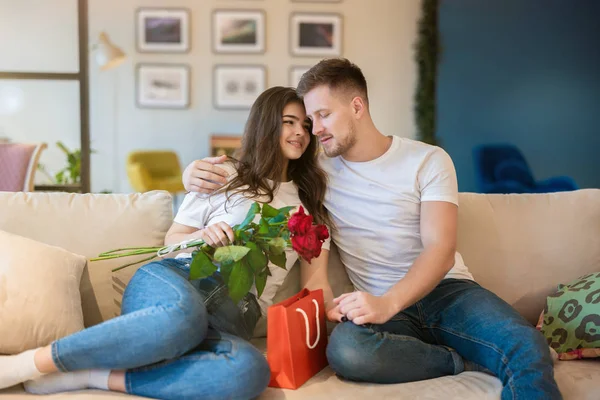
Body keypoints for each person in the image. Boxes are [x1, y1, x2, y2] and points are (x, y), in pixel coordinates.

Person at [180, 58, 562, 400]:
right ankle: (462, 360)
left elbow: (440, 250)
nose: (314, 131)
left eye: (323, 116)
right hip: (378, 308)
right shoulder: (315, 176)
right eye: (311, 122)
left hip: (447, 293)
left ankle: (491, 354)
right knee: (347, 351)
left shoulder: (427, 159)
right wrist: (192, 173)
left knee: (526, 345)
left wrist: (388, 302)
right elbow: (262, 170)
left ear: (357, 106)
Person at [0, 86, 338, 400]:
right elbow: (171, 240)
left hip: (233, 316)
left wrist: (336, 316)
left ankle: (93, 377)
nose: (300, 133)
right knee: (182, 317)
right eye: (289, 122)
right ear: (265, 125)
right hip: (176, 281)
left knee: (249, 371)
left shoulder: (311, 209)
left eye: (306, 126)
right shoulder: (222, 176)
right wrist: (201, 236)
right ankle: (33, 362)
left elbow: (316, 285)